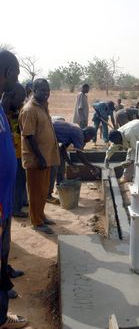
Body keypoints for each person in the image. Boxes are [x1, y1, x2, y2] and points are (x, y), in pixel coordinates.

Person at [0, 49, 28, 328]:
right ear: (8, 73)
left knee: (2, 255)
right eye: (16, 73)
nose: (17, 79)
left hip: (4, 203)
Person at [19, 79, 60, 235]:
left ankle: (41, 216)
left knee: (43, 191)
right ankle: (36, 222)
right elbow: (28, 136)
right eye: (42, 90)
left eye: (48, 90)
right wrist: (40, 157)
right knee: (35, 192)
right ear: (33, 90)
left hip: (46, 157)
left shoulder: (43, 106)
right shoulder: (30, 110)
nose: (46, 93)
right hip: (36, 159)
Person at [48, 121, 99, 198]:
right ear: (87, 134)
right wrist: (92, 167)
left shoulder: (77, 131)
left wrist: (70, 164)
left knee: (61, 160)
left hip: (52, 135)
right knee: (54, 166)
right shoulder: (79, 135)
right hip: (47, 135)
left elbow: (62, 149)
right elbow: (80, 155)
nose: (89, 141)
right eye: (90, 138)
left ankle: (61, 186)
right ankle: (48, 194)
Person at [1, 83, 28, 217]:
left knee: (21, 181)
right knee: (16, 183)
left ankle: (19, 203)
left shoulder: (18, 110)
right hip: (11, 156)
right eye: (21, 98)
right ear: (12, 96)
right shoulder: (3, 114)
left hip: (19, 153)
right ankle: (15, 209)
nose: (22, 101)